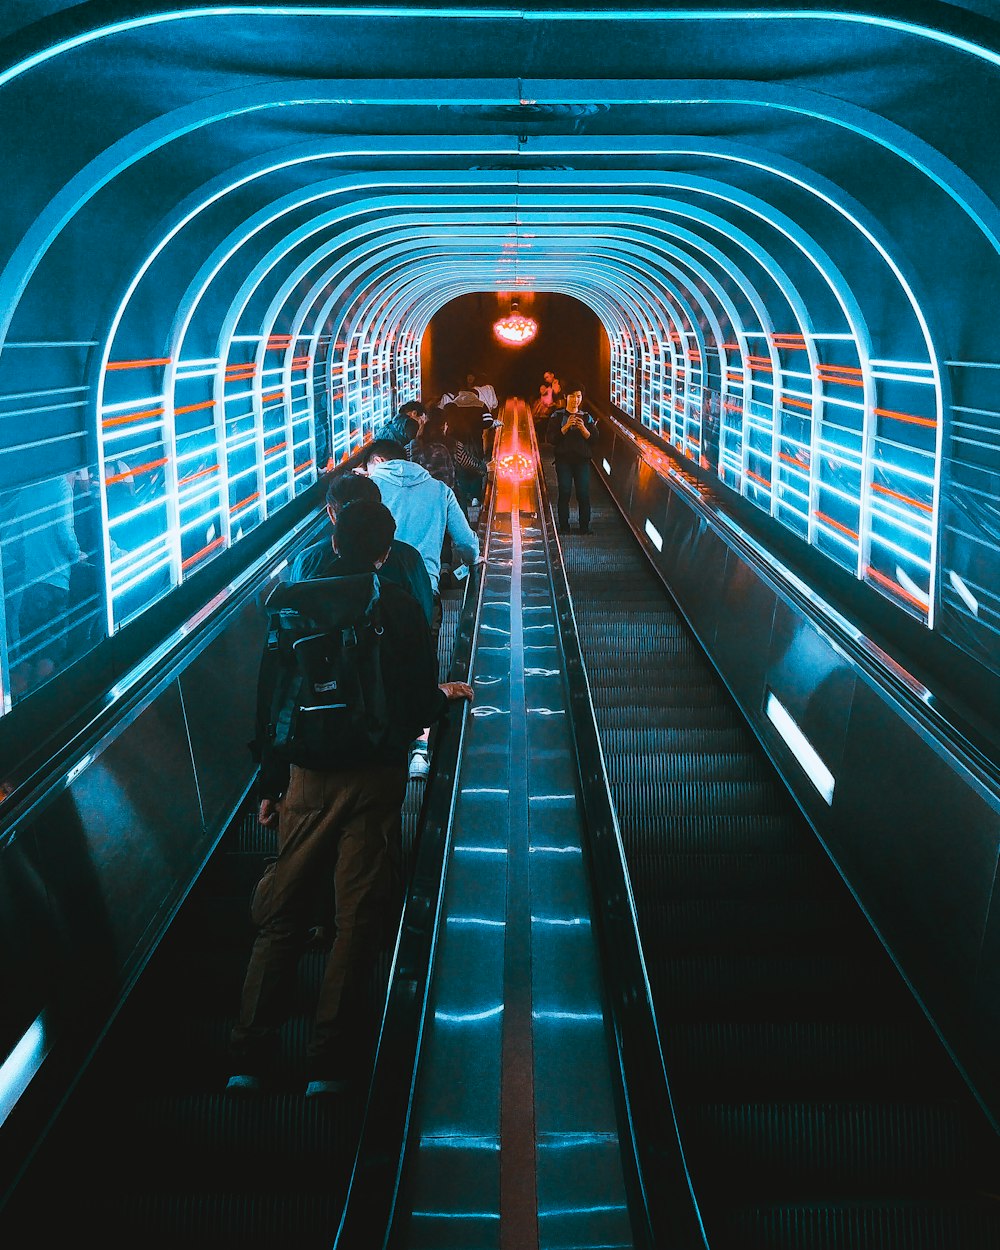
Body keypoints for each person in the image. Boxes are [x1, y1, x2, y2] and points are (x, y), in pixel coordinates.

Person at [228, 498, 475, 1096]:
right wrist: (445, 698)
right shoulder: (395, 605)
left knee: (282, 918)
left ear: (334, 540)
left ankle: (248, 1059)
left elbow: (272, 701)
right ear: (385, 552)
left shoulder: (292, 604)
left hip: (306, 781)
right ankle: (328, 1064)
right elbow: (417, 705)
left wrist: (270, 785)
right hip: (374, 779)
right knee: (355, 919)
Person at [357, 439, 479, 777]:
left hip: (371, 589)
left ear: (378, 461)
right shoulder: (439, 490)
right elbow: (467, 543)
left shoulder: (369, 488)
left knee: (372, 661)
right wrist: (471, 561)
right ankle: (420, 750)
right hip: (422, 591)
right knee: (420, 663)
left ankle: (376, 743)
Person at [291, 471, 435, 628]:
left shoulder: (307, 560)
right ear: (378, 508)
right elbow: (424, 616)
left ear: (331, 512)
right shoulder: (407, 557)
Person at [546, 381, 599, 535]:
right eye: (572, 396)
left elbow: (594, 439)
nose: (575, 400)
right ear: (565, 397)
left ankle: (584, 526)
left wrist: (583, 429)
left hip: (582, 461)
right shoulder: (557, 416)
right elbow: (551, 439)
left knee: (583, 493)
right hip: (564, 461)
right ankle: (564, 526)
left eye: (578, 396)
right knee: (565, 492)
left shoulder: (587, 417)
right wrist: (566, 427)